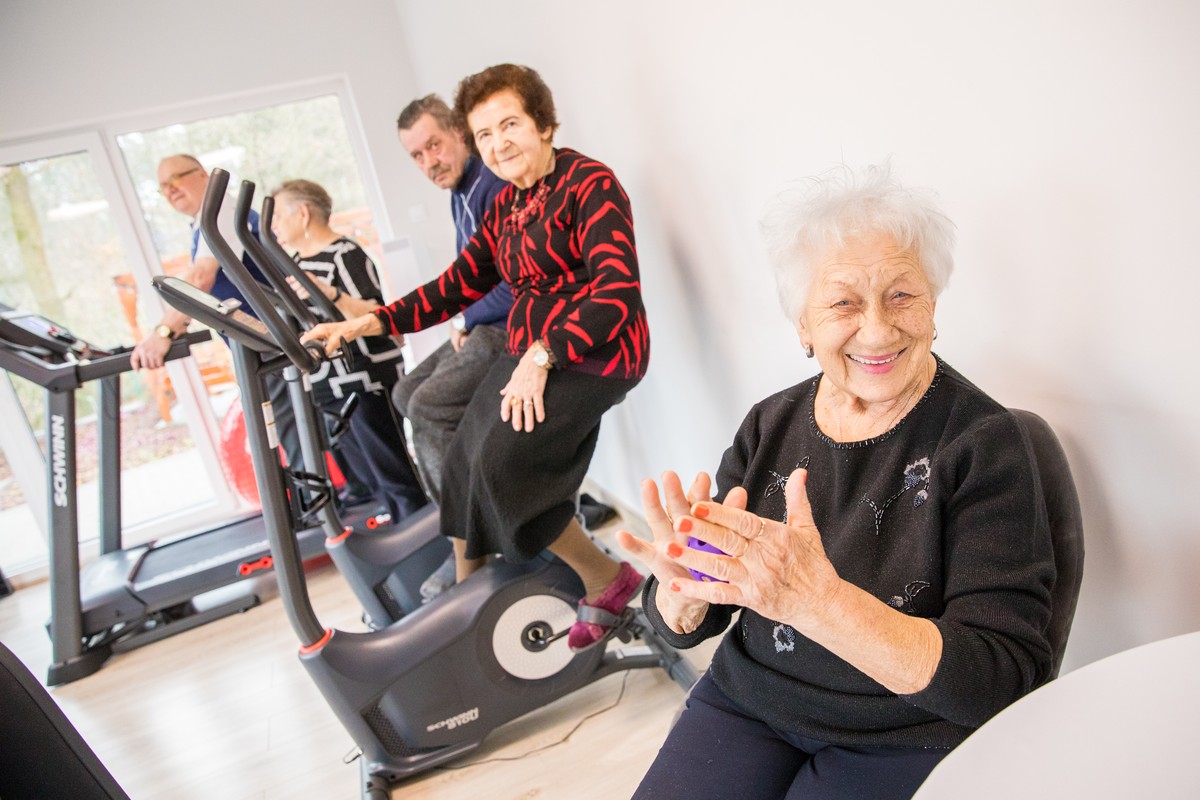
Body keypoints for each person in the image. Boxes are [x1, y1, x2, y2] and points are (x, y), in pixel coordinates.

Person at [617, 165, 1057, 800]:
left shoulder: (984, 445)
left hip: (904, 731)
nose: (877, 329)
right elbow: (699, 609)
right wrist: (681, 595)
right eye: (843, 302)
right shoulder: (769, 425)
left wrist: (820, 604)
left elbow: (1000, 679)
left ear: (933, 304)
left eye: (902, 295)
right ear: (803, 325)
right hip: (753, 702)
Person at [303, 64, 649, 651]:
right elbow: (458, 283)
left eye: (510, 124)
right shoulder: (507, 205)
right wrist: (374, 320)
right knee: (465, 455)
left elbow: (616, 292)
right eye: (485, 134)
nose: (498, 143)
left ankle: (608, 578)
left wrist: (542, 355)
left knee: (504, 468)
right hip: (530, 352)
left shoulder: (590, 184)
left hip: (595, 353)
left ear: (543, 123)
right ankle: (469, 594)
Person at [271, 179, 427, 522]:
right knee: (368, 480)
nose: (275, 227)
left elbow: (377, 314)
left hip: (367, 379)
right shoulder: (295, 263)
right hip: (328, 385)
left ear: (302, 213)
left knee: (394, 473)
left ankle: (428, 542)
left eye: (279, 217)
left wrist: (331, 294)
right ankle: (405, 544)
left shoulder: (346, 255)